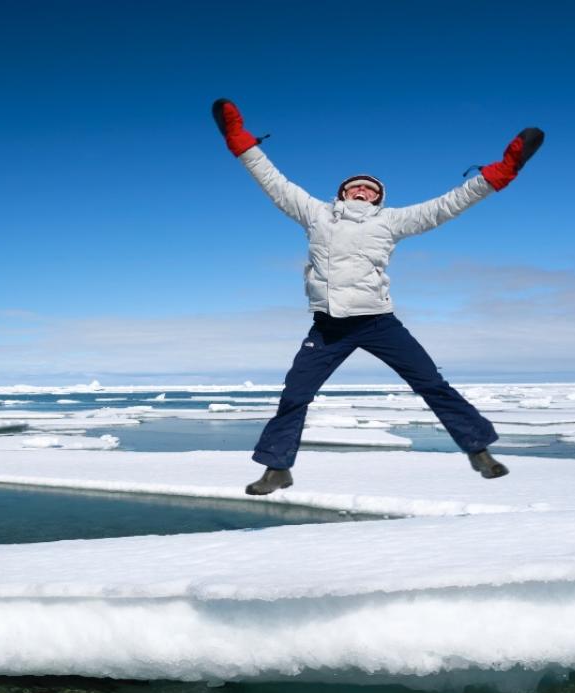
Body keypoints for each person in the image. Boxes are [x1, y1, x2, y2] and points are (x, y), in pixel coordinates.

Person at [211, 99, 544, 495]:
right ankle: (277, 468)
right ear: (342, 192)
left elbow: (449, 204)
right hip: (329, 326)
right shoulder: (316, 214)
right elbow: (272, 180)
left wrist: (501, 172)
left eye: (370, 189)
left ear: (378, 199)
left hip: (378, 322)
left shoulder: (392, 221)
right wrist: (239, 140)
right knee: (295, 394)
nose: (362, 191)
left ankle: (479, 451)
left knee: (431, 383)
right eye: (356, 186)